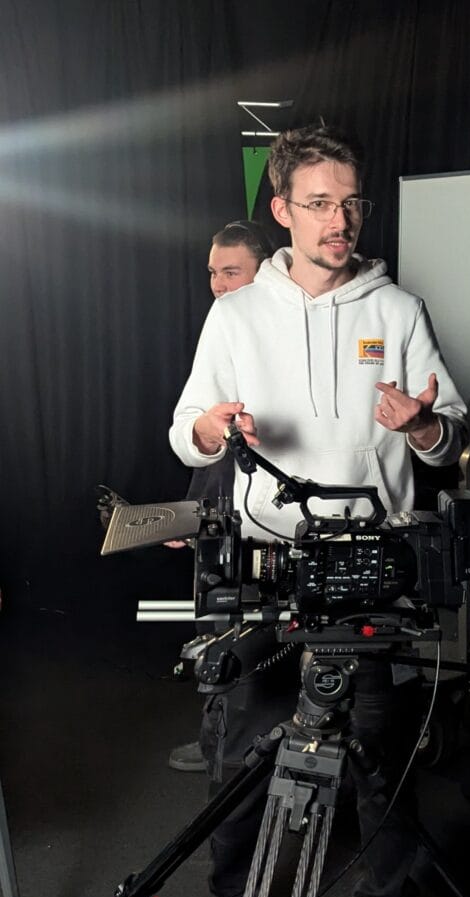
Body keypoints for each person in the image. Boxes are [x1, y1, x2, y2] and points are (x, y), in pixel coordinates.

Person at [146, 124, 466, 897]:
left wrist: (422, 427)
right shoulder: (237, 315)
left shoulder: (397, 309)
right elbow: (185, 428)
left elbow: (451, 435)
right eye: (321, 204)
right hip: (271, 573)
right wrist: (209, 430)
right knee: (242, 755)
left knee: (381, 760)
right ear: (282, 211)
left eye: (352, 201)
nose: (342, 219)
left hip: (374, 572)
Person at [167, 220, 274, 774]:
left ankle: (235, 750)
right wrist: (193, 514)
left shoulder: (277, 334)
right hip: (222, 514)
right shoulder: (223, 327)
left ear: (266, 269)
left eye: (231, 271)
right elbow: (209, 435)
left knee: (246, 641)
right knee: (214, 630)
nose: (217, 283)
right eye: (213, 272)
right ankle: (216, 744)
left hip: (269, 528)